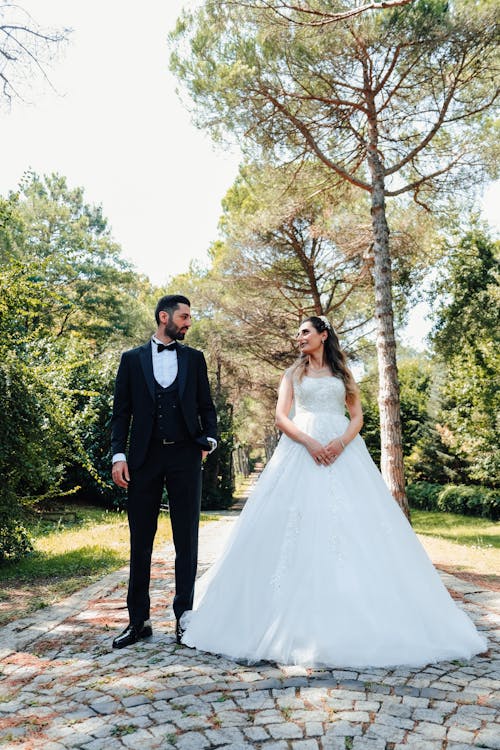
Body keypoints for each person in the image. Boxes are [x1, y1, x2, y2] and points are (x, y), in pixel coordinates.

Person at [181, 316, 487, 667]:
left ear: (323, 335)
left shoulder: (344, 375)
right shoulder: (292, 374)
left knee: (353, 525)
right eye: (297, 333)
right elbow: (281, 417)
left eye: (306, 332)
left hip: (343, 450)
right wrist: (310, 442)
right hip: (300, 448)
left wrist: (340, 443)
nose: (299, 337)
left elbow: (357, 416)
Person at [111, 294, 217, 649]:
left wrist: (210, 440)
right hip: (143, 459)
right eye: (184, 316)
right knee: (140, 540)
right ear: (164, 317)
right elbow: (120, 413)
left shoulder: (195, 359)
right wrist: (118, 456)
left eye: (189, 317)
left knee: (187, 540)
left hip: (186, 457)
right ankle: (138, 621)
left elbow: (207, 406)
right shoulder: (131, 360)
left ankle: (184, 619)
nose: (188, 323)